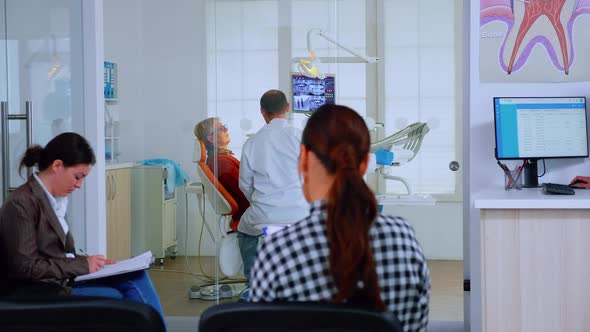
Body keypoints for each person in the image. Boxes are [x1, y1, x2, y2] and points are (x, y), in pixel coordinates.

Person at [249, 105, 430, 332]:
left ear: (303, 160)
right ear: (364, 165)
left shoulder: (277, 251)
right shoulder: (403, 240)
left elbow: (259, 325)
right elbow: (415, 325)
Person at [0, 132, 166, 326]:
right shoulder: (21, 203)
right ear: (57, 166)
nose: (79, 185)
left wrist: (94, 263)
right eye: (77, 177)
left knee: (135, 276)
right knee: (116, 297)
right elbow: (26, 266)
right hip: (37, 290)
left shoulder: (55, 201)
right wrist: (83, 265)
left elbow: (58, 255)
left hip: (59, 280)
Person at [238, 90, 309, 285]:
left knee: (244, 230)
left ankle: (252, 283)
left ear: (262, 112)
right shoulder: (300, 136)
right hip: (300, 213)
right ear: (287, 108)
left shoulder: (251, 143)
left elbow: (244, 183)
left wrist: (259, 202)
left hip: (265, 215)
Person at [195, 118, 250, 231]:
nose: (227, 129)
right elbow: (246, 193)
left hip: (251, 211)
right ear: (211, 138)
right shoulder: (221, 163)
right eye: (222, 128)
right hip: (251, 215)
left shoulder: (220, 159)